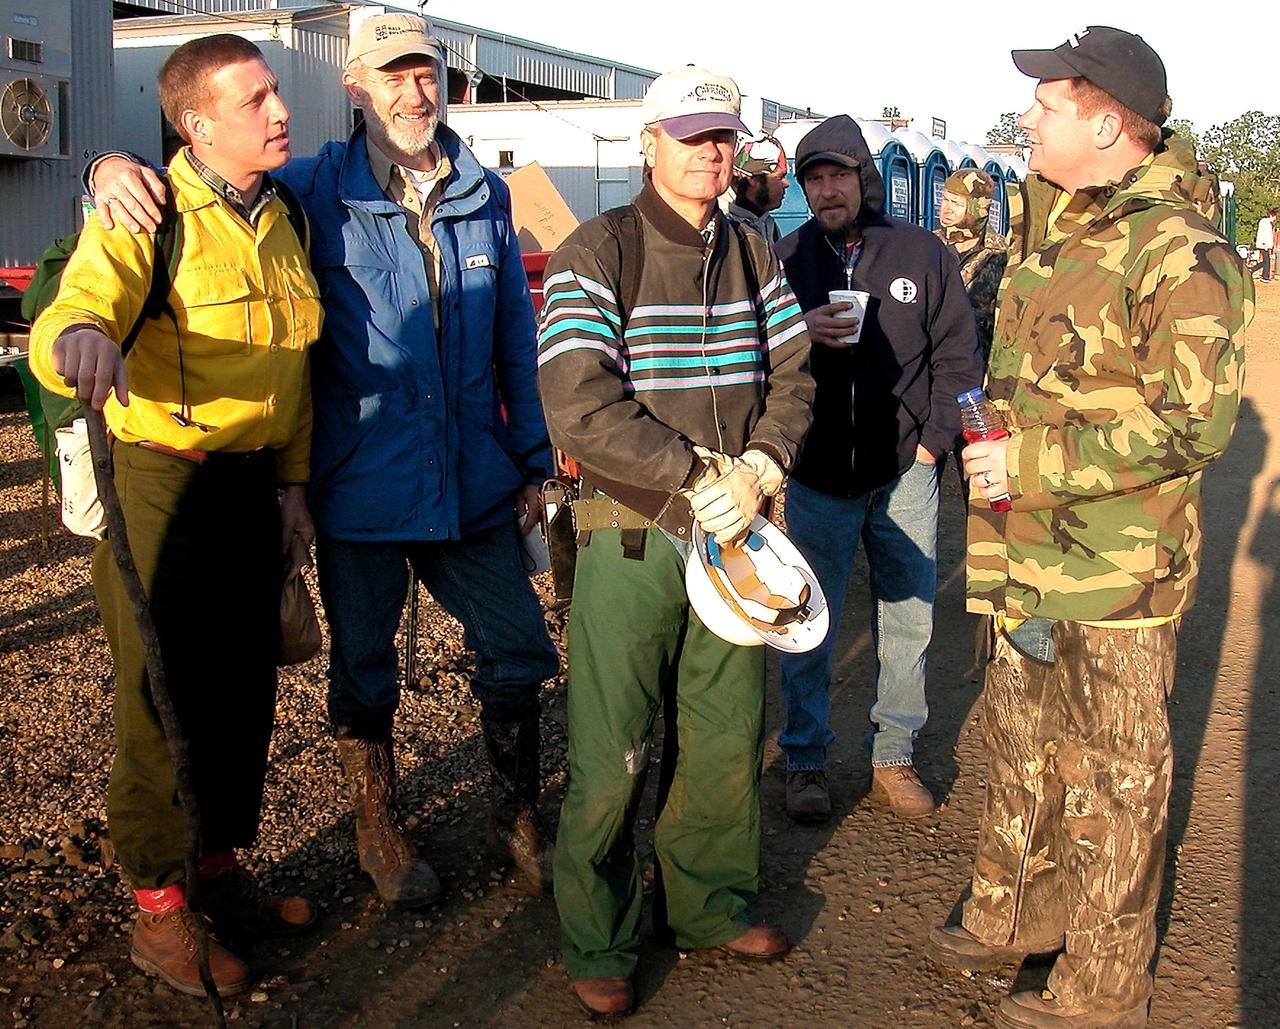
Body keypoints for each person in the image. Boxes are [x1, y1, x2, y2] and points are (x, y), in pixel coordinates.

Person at [90, 13, 559, 905]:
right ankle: (377, 825)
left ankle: (518, 814)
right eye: (392, 77)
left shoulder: (486, 194)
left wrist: (533, 458)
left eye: (426, 74)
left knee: (517, 643)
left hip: (472, 477)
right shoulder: (310, 188)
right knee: (364, 664)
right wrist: (106, 166)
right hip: (362, 481)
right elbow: (200, 185)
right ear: (357, 87)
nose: (414, 93)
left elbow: (512, 334)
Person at [926, 27, 1252, 1029]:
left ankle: (1103, 987)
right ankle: (1012, 913)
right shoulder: (1061, 229)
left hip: (1113, 576)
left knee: (1113, 780)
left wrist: (1024, 463)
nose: (1027, 117)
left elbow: (1189, 427)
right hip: (1025, 558)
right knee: (1020, 748)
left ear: (1106, 122)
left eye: (1048, 103)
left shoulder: (1181, 250)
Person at [29, 34, 321, 997]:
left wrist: (291, 485)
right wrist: (75, 340)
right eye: (255, 100)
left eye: (276, 92)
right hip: (163, 482)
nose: (280, 111)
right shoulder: (143, 212)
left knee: (244, 692)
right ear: (196, 124)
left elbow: (291, 370)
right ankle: (159, 913)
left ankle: (216, 872)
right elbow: (82, 302)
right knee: (162, 698)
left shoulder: (285, 219)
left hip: (252, 489)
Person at [535, 66, 814, 1018]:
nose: (711, 150)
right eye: (692, 134)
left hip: (741, 532)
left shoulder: (754, 251)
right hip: (631, 533)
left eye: (724, 135)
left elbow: (794, 370)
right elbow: (576, 403)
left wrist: (763, 465)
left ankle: (707, 904)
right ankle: (600, 934)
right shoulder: (595, 250)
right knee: (612, 746)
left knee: (726, 734)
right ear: (648, 141)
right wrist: (696, 473)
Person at [773, 115, 983, 823]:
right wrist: (803, 330)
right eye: (815, 178)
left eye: (840, 174)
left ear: (864, 177)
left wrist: (931, 444)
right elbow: (753, 354)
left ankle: (893, 753)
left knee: (908, 617)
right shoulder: (786, 257)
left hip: (905, 472)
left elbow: (958, 356)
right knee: (808, 621)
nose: (829, 189)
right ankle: (805, 759)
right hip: (817, 474)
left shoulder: (921, 253)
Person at [934, 168, 1008, 361]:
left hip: (978, 363)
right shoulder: (926, 246)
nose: (947, 209)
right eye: (945, 200)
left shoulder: (1002, 254)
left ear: (977, 209)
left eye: (957, 203)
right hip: (933, 363)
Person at [726, 134, 789, 245]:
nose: (786, 184)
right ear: (753, 179)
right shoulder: (725, 228)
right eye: (780, 177)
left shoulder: (769, 226)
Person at [1255, 207, 1275, 281]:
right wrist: (1265, 244)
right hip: (1263, 245)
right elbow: (1263, 234)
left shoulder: (1267, 223)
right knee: (1266, 261)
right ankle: (1263, 276)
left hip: (1265, 245)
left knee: (1266, 261)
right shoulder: (1265, 223)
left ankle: (1265, 275)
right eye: (1274, 217)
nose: (1274, 219)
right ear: (1271, 216)